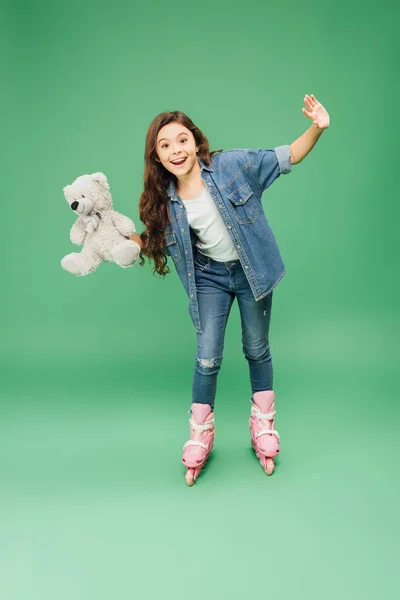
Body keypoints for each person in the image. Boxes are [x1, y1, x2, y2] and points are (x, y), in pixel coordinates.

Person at [130, 95, 330, 486]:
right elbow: (151, 239)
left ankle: (263, 427)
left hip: (252, 271)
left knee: (256, 347)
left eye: (182, 139)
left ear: (196, 141)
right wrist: (115, 242)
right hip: (210, 278)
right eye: (165, 145)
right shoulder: (165, 201)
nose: (176, 150)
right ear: (156, 157)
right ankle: (200, 434)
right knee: (207, 358)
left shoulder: (232, 166)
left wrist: (317, 127)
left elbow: (288, 156)